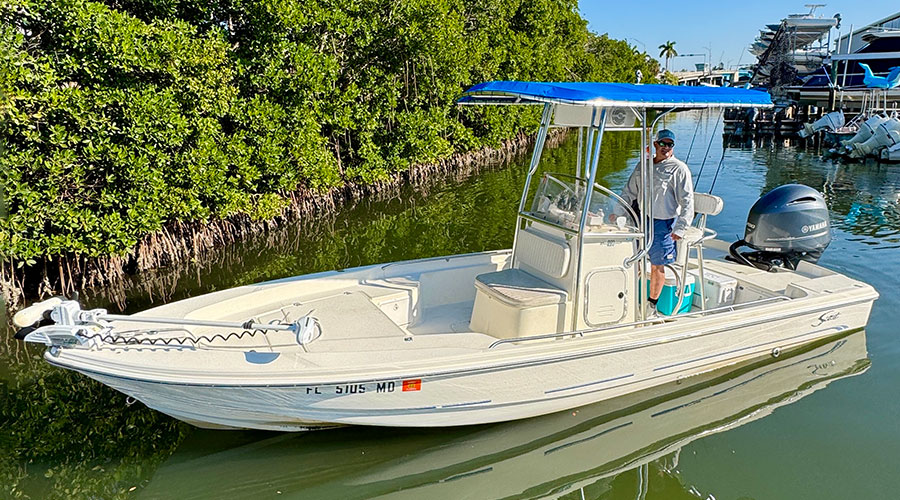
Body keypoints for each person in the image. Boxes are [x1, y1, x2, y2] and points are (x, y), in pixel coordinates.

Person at [615, 129, 694, 315]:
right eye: (663, 143)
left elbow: (688, 201)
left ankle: (652, 305)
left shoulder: (679, 169)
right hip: (641, 218)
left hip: (664, 223)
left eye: (670, 144)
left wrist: (681, 228)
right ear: (655, 145)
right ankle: (631, 295)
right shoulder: (644, 165)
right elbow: (629, 191)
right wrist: (618, 212)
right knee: (634, 259)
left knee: (657, 264)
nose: (666, 148)